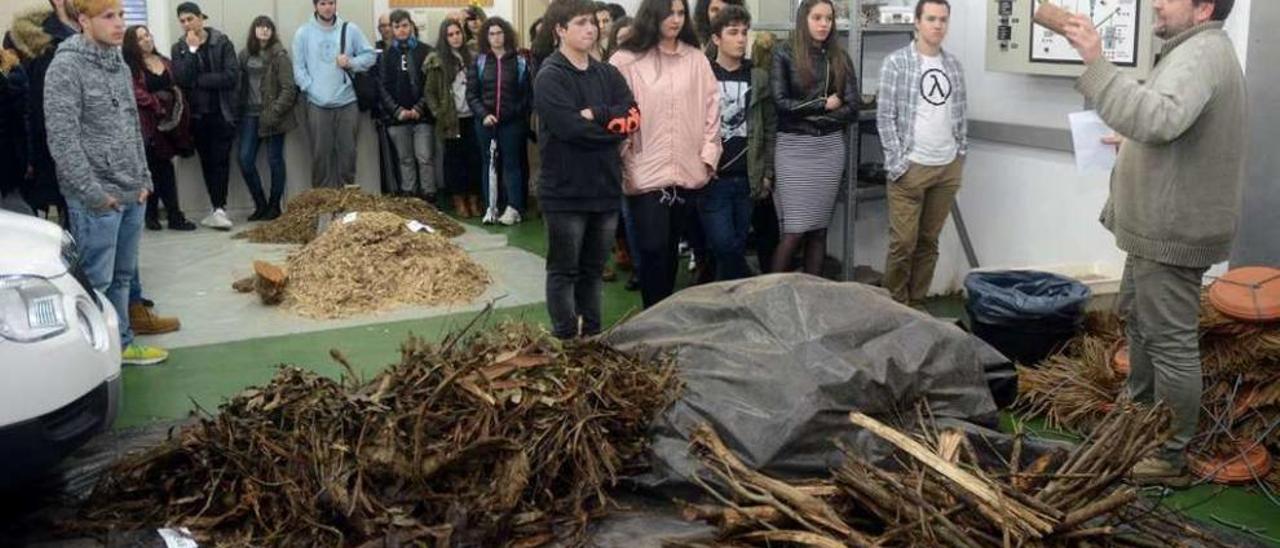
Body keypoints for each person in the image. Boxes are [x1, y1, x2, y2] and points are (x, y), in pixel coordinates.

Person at [1063, 0, 1245, 484]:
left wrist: (1097, 63)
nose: (1158, 3)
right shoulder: (1191, 50)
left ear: (1203, 7)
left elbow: (1160, 120)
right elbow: (1175, 125)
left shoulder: (1202, 53)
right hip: (1155, 229)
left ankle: (1170, 456)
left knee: (1171, 344)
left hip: (1171, 231)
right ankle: (1136, 420)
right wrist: (1132, 142)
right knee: (1142, 325)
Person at [45, 0, 168, 365]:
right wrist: (93, 194)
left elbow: (132, 124)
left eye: (121, 16)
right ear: (84, 21)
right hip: (97, 198)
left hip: (132, 191)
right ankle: (93, 358)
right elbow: (62, 138)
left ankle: (123, 345)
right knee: (94, 282)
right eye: (109, 17)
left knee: (123, 278)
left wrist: (144, 178)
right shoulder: (65, 66)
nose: (119, 25)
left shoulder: (117, 60)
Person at [534, 0, 638, 339]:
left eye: (593, 23)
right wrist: (612, 131)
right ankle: (566, 338)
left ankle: (591, 337)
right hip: (565, 193)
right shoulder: (550, 76)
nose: (590, 29)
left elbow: (633, 114)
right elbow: (570, 129)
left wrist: (598, 113)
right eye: (580, 23)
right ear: (560, 30)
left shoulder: (607, 73)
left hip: (605, 190)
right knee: (565, 270)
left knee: (593, 271)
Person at [610, 0, 721, 308]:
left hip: (688, 171)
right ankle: (652, 316)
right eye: (668, 13)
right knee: (652, 248)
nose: (675, 19)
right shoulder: (625, 60)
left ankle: (662, 318)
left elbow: (713, 110)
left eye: (680, 13)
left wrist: (708, 155)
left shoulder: (696, 60)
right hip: (645, 172)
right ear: (652, 15)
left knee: (670, 250)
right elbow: (613, 113)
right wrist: (626, 155)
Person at [877, 0, 967, 305]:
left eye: (943, 19)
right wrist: (897, 162)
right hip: (911, 167)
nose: (938, 25)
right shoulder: (896, 63)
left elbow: (960, 112)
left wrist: (960, 154)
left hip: (947, 167)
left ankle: (917, 307)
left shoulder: (953, 65)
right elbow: (885, 116)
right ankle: (894, 309)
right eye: (931, 18)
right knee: (903, 243)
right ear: (917, 22)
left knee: (929, 242)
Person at [770, 0, 858, 276]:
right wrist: (821, 104)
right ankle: (769, 299)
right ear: (803, 19)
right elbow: (781, 103)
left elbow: (852, 108)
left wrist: (811, 117)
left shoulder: (840, 57)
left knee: (819, 230)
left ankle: (811, 301)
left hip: (829, 149)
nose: (823, 24)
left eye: (828, 19)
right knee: (794, 231)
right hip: (794, 149)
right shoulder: (783, 52)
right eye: (817, 18)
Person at [700, 6, 775, 281]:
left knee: (735, 246)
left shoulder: (758, 78)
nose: (741, 39)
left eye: (744, 32)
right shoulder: (703, 74)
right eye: (733, 32)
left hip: (747, 178)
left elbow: (769, 128)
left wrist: (767, 173)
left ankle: (728, 307)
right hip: (713, 178)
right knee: (723, 245)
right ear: (716, 38)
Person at [5, 0, 80, 222]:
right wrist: (28, 158)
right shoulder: (29, 40)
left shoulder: (95, 35)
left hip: (94, 155)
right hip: (47, 151)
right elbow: (26, 106)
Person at [293, 0, 377, 188]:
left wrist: (351, 63)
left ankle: (345, 209)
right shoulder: (303, 33)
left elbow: (371, 56)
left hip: (347, 103)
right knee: (320, 157)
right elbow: (298, 69)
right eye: (322, 3)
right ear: (315, 6)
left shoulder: (350, 29)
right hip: (317, 105)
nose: (327, 7)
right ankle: (322, 207)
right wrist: (312, 89)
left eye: (331, 2)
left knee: (348, 157)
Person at [170, 2, 238, 231]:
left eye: (190, 19)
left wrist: (200, 81)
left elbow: (231, 76)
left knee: (221, 161)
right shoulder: (179, 48)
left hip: (221, 113)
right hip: (197, 117)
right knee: (207, 163)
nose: (186, 24)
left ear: (201, 18)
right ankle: (216, 208)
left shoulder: (221, 41)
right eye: (182, 21)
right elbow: (182, 78)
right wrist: (191, 51)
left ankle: (220, 208)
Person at [122, 25, 196, 232]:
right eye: (140, 38)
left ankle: (160, 215)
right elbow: (135, 91)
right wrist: (157, 104)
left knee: (161, 168)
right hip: (147, 125)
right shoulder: (130, 67)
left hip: (169, 124)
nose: (147, 40)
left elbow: (179, 82)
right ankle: (167, 216)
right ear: (132, 44)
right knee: (156, 168)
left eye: (147, 35)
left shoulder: (164, 61)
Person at [467, 16, 533, 226]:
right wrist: (483, 115)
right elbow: (472, 94)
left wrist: (511, 114)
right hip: (485, 123)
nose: (496, 37)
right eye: (492, 34)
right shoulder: (479, 62)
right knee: (489, 164)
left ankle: (514, 208)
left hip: (512, 124)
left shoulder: (520, 61)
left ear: (506, 34)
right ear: (486, 37)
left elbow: (526, 96)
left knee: (512, 165)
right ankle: (491, 207)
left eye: (500, 32)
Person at [237, 15, 298, 221]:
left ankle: (274, 206)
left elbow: (289, 89)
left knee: (274, 160)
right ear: (253, 31)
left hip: (273, 116)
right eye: (259, 27)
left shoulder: (280, 55)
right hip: (249, 116)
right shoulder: (245, 55)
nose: (263, 30)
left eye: (267, 27)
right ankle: (260, 204)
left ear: (272, 31)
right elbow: (239, 85)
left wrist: (274, 112)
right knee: (245, 159)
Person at [426, 18, 483, 218]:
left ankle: (474, 200)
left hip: (472, 116)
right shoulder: (437, 60)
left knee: (475, 159)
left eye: (457, 33)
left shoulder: (473, 57)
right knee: (454, 162)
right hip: (451, 120)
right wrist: (438, 112)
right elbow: (430, 93)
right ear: (445, 37)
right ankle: (459, 201)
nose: (455, 37)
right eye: (450, 34)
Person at [377, 10, 436, 201]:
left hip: (423, 116)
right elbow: (382, 87)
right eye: (396, 27)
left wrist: (419, 108)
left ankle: (429, 198)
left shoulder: (426, 51)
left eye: (404, 25)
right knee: (405, 159)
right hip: (398, 118)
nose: (401, 30)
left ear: (411, 26)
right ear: (391, 30)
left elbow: (431, 84)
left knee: (424, 157)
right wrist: (397, 110)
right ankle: (410, 199)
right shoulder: (386, 55)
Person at [748, 31, 780, 274]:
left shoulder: (760, 81)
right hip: (758, 164)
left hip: (759, 164)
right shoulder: (761, 80)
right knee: (766, 228)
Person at [1, 47, 32, 214]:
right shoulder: (16, 73)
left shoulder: (11, 77)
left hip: (9, 162)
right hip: (13, 162)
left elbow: (21, 123)